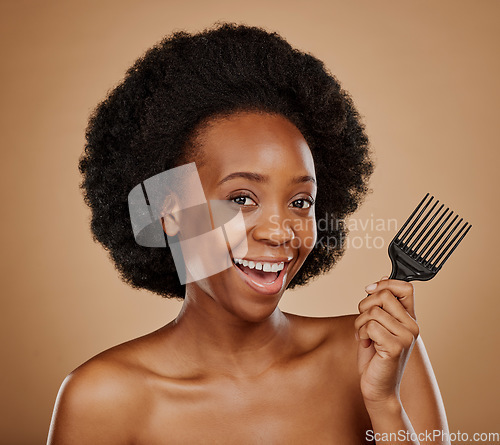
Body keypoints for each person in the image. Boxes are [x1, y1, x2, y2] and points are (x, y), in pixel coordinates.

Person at [47, 22, 449, 444]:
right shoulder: (103, 398)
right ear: (170, 211)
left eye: (300, 202)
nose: (280, 234)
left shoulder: (377, 355)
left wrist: (384, 404)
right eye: (241, 198)